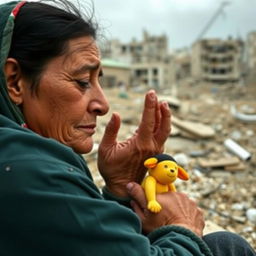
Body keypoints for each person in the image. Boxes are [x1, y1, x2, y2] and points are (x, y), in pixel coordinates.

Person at [0, 1, 255, 255]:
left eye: (98, 81)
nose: (103, 105)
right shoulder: (27, 170)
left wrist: (120, 188)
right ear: (15, 82)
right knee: (230, 248)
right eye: (81, 82)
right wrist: (183, 228)